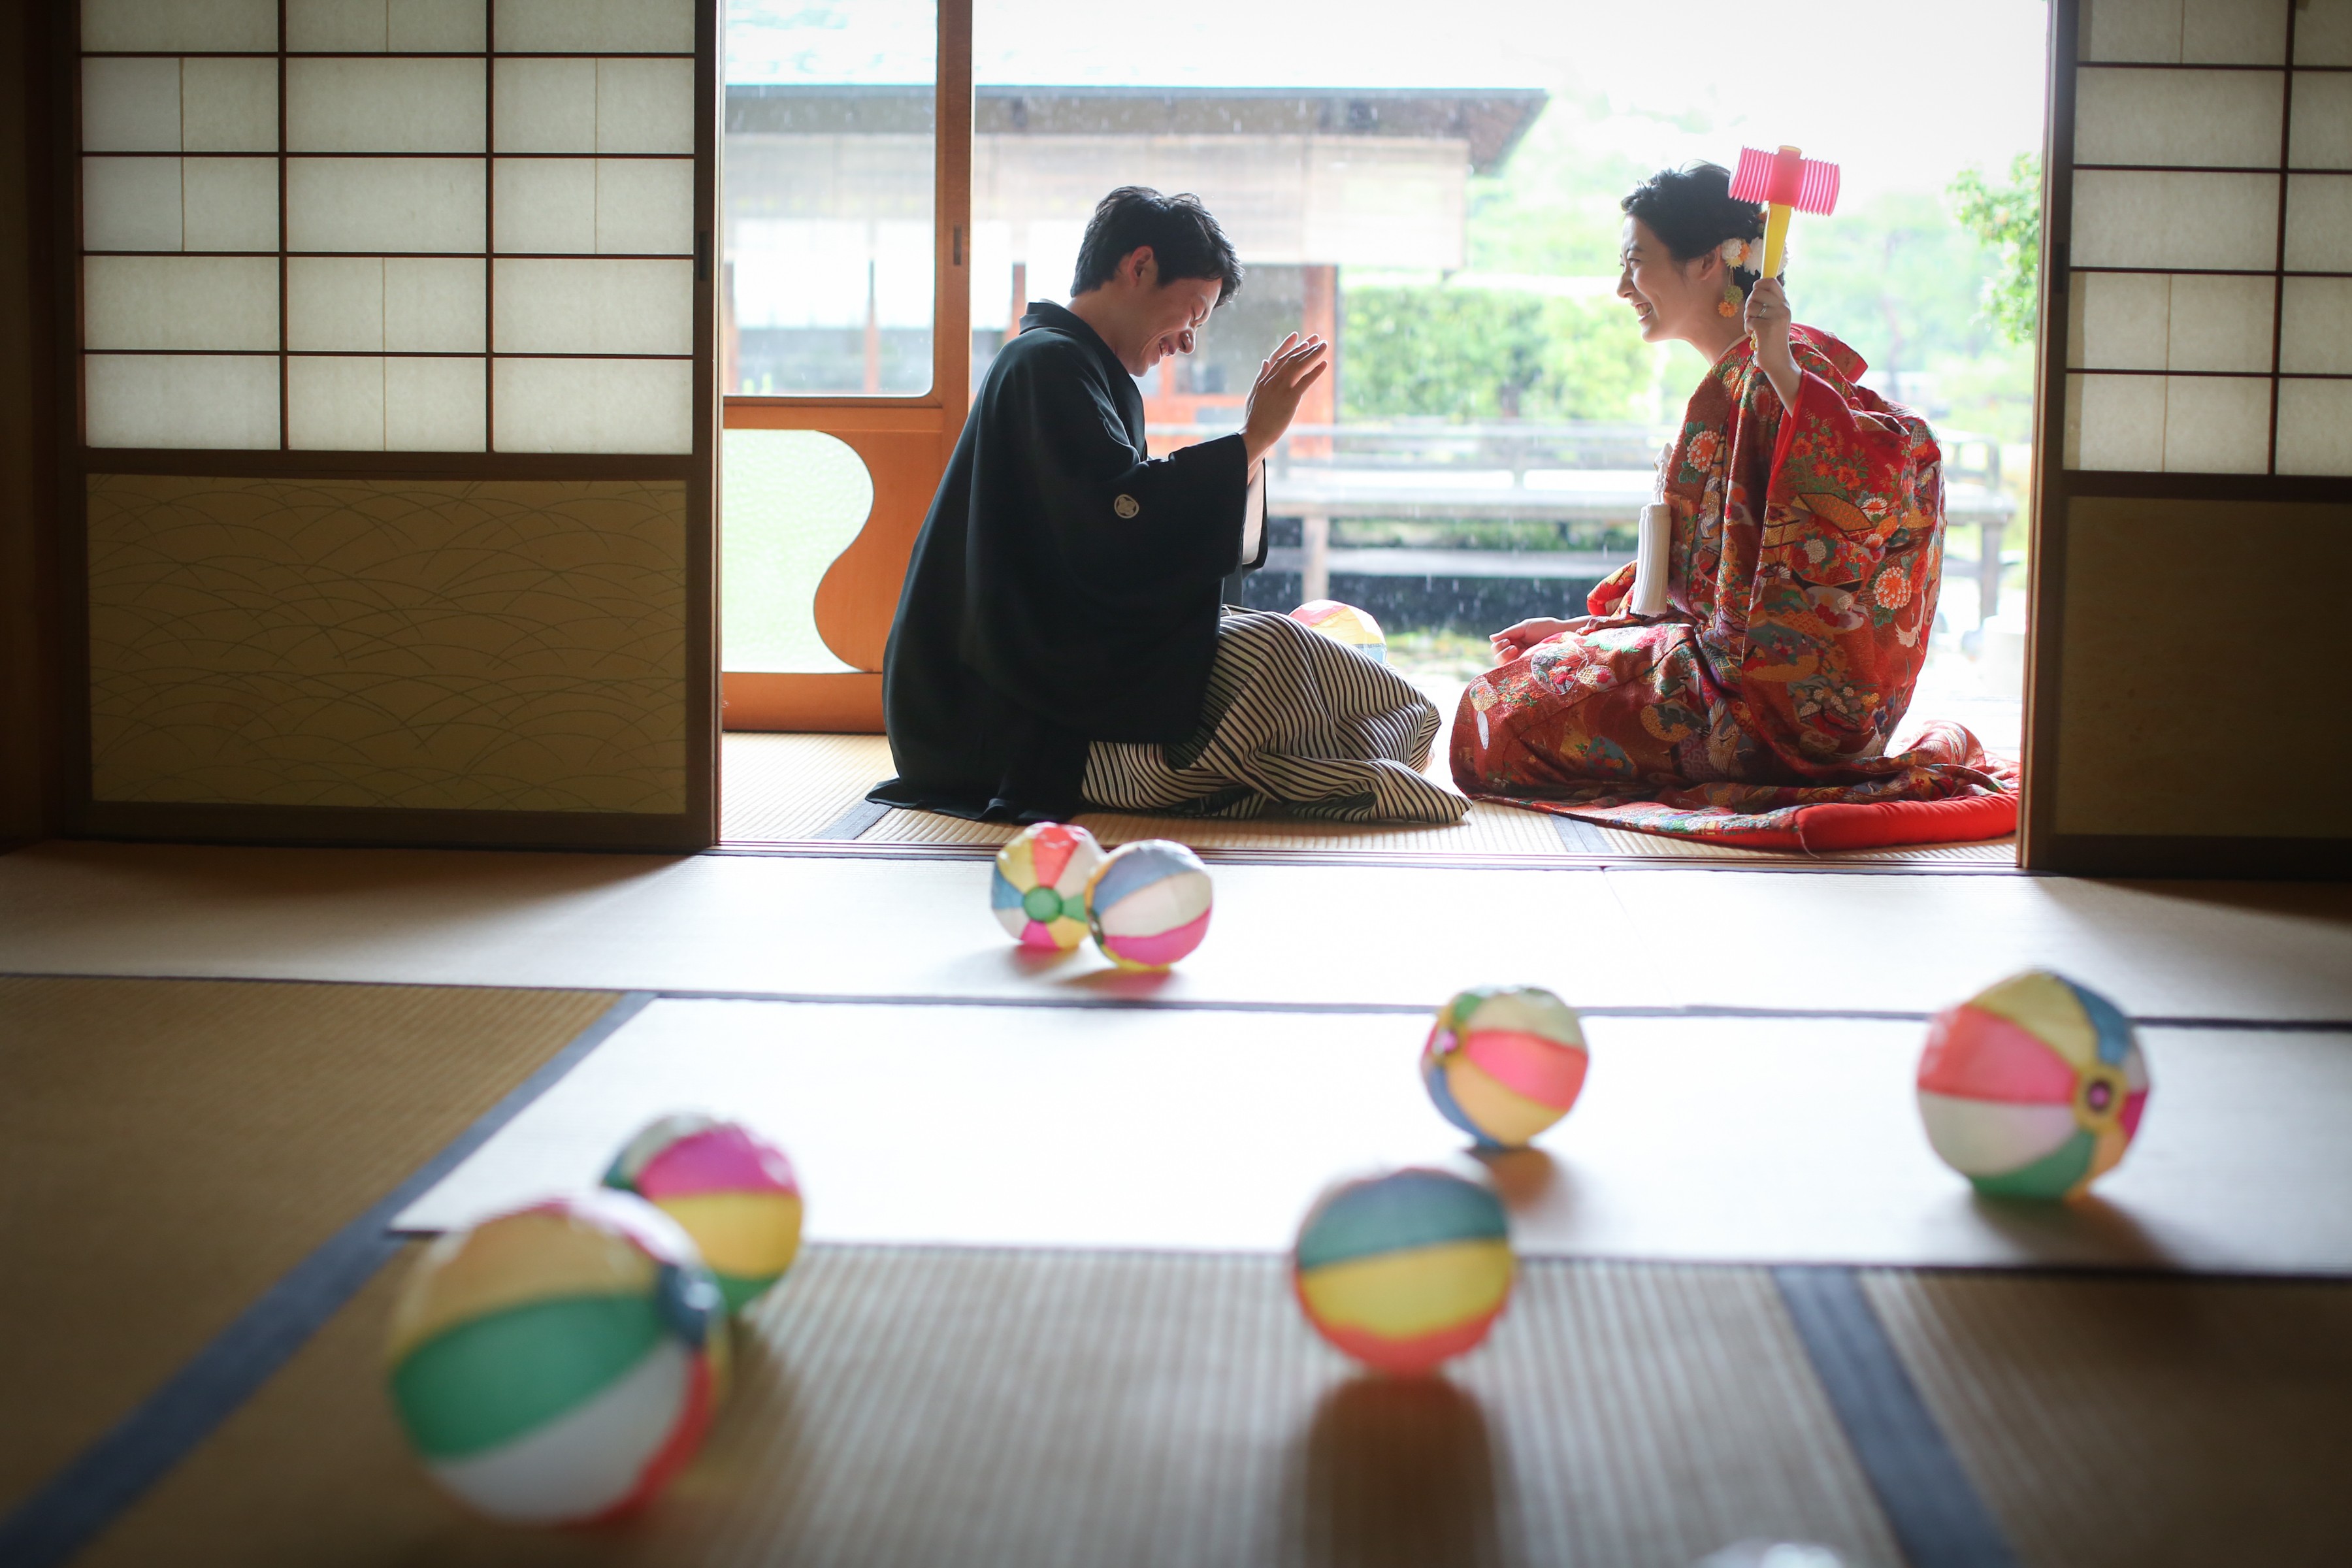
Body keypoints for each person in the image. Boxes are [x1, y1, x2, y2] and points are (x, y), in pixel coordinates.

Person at [1451, 162, 2014, 847]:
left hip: (1769, 709)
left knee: (1494, 719)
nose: (1622, 287)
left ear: (1710, 263)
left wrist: (1782, 368)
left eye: (1637, 263)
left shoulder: (1783, 369)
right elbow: (1700, 580)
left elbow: (1890, 459)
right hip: (1721, 673)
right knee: (1517, 682)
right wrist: (1582, 630)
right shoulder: (1737, 379)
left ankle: (1774, 770)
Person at [872, 186, 1464, 826]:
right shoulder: (1045, 365)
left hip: (1058, 667)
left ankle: (1366, 764)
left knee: (1297, 661)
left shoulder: (1078, 369)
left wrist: (1249, 452)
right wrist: (1250, 442)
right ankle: (1365, 771)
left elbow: (1124, 523)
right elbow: (1113, 530)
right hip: (998, 712)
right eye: (1194, 312)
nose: (1188, 342)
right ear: (1140, 266)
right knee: (1277, 654)